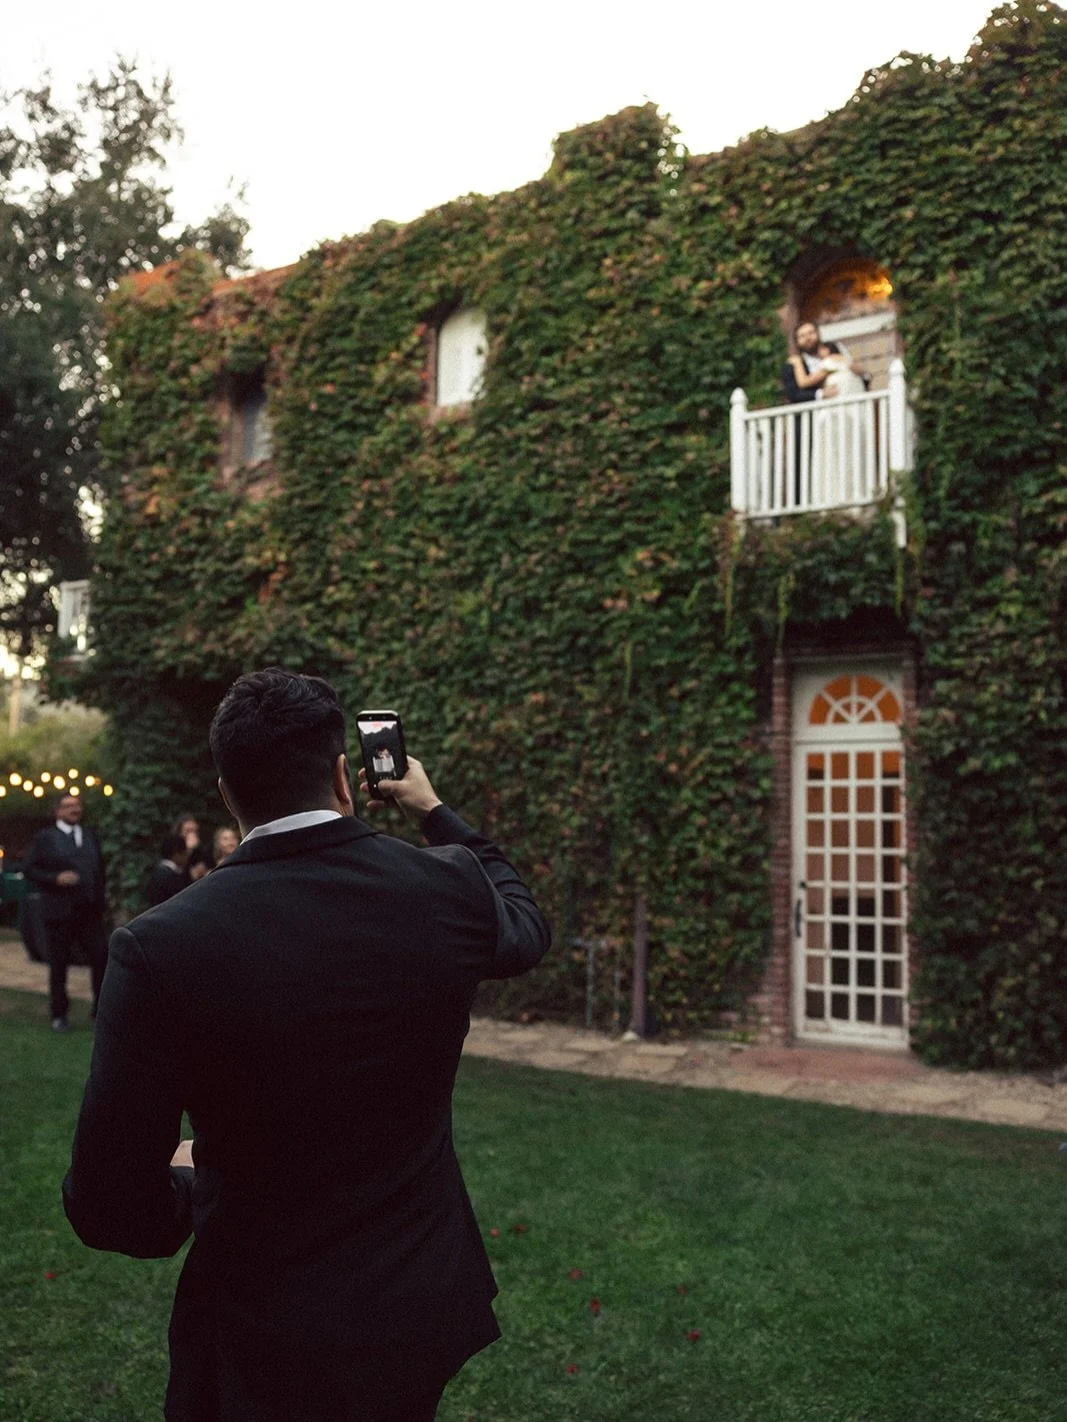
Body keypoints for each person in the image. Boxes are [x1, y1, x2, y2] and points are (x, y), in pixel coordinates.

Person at [62, 668, 551, 1421]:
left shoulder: (160, 947)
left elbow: (108, 1203)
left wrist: (193, 1180)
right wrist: (432, 808)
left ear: (227, 793)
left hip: (260, 1325)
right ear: (342, 777)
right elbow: (523, 922)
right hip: (409, 1300)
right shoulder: (445, 887)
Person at [23, 792, 109, 1031]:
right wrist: (55, 878)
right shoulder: (45, 838)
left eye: (77, 805)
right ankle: (59, 1013)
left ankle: (100, 1010)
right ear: (58, 811)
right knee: (59, 964)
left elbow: (98, 869)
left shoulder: (90, 835)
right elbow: (30, 869)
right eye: (69, 806)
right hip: (59, 912)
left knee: (101, 956)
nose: (75, 809)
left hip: (89, 911)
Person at [145, 833, 191, 907]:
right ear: (177, 854)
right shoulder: (170, 877)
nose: (187, 856)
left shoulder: (157, 872)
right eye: (185, 853)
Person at [173, 813, 211, 883]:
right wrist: (188, 850)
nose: (192, 835)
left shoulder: (201, 851)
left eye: (195, 831)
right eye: (188, 831)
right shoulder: (173, 851)